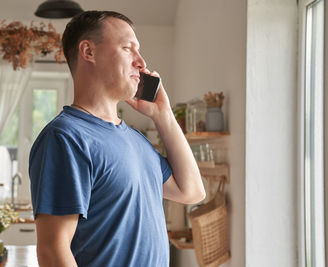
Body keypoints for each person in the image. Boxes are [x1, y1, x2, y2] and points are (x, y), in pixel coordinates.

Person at [29, 10, 205, 267]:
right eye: (128, 48)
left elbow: (191, 191)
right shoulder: (66, 138)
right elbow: (52, 251)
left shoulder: (136, 140)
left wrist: (163, 115)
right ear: (88, 52)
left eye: (139, 51)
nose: (141, 62)